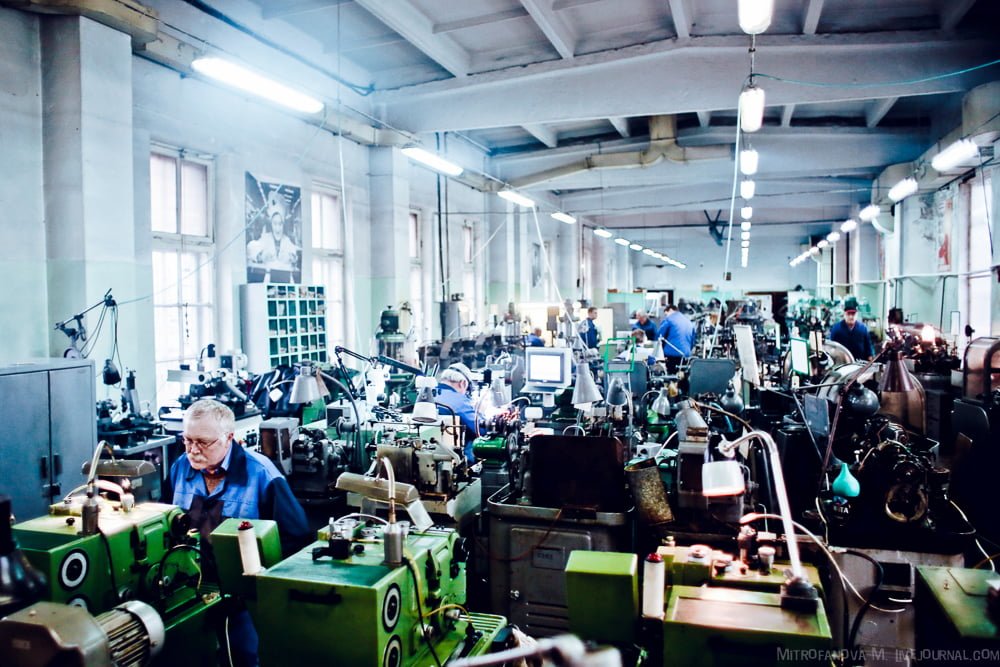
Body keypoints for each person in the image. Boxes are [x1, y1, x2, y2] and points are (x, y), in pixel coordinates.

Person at [167, 399, 309, 667]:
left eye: (203, 442)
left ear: (229, 437)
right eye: (187, 441)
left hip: (243, 597)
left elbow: (295, 537)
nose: (193, 450)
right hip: (189, 589)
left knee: (242, 657)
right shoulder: (179, 469)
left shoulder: (262, 475)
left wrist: (263, 584)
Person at [434, 364, 483, 464]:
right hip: (456, 458)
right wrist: (480, 413)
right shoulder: (459, 401)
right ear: (463, 383)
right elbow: (481, 429)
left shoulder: (428, 394)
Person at [656, 304, 696, 372]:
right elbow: (693, 341)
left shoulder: (669, 319)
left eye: (666, 314)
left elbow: (659, 336)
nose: (666, 316)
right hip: (686, 355)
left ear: (671, 310)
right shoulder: (688, 321)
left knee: (670, 376)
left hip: (672, 354)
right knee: (682, 376)